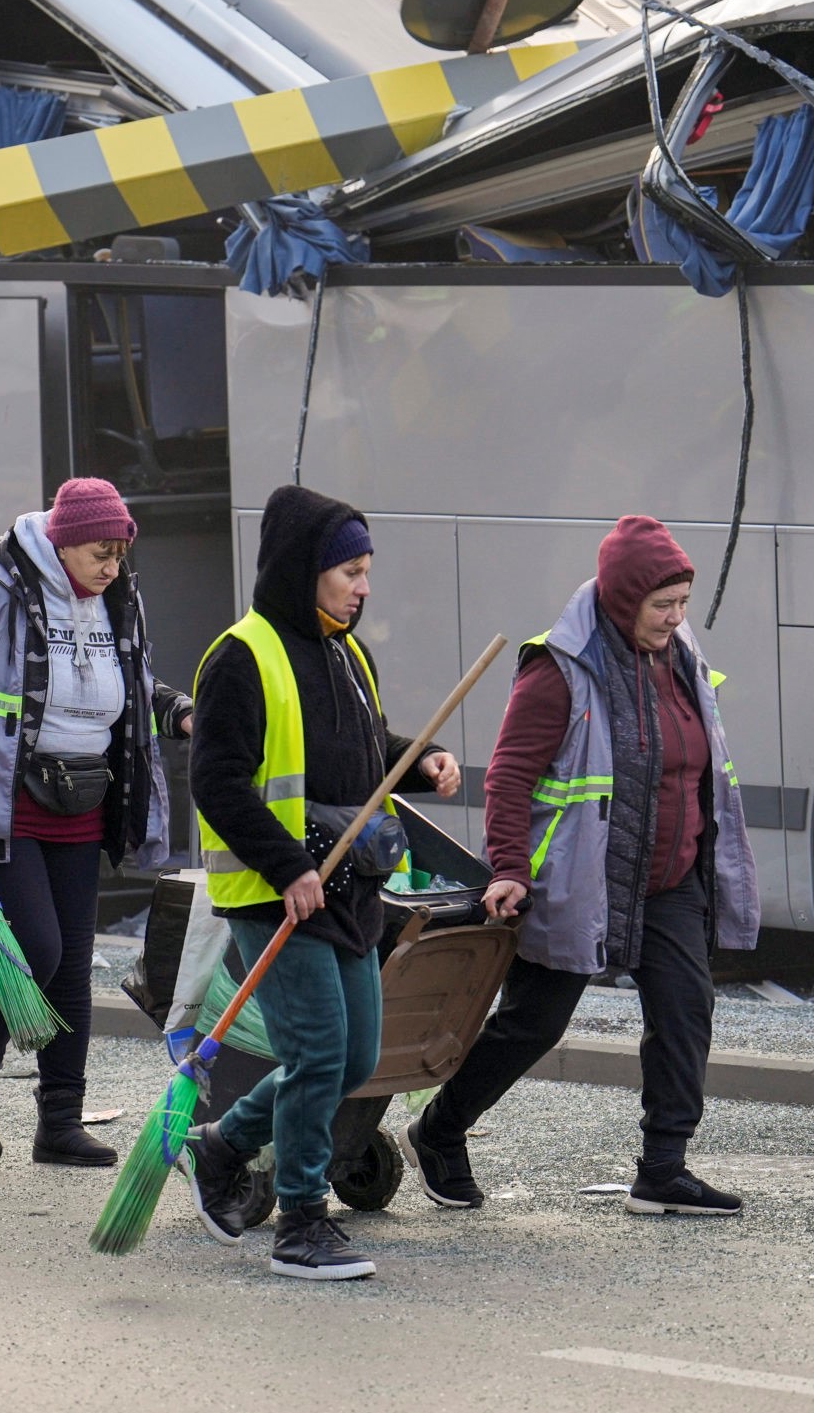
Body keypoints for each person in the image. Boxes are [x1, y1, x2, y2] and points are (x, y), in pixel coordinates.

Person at [399, 515, 757, 1217]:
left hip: (670, 879)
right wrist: (508, 867)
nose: (677, 617)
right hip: (585, 879)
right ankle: (438, 1130)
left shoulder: (676, 653)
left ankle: (663, 1167)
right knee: (534, 1024)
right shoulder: (559, 666)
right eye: (664, 605)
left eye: (683, 602)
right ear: (625, 599)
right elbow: (509, 774)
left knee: (687, 1009)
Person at [182, 485, 460, 1281]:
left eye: (367, 570)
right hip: (276, 893)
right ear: (305, 570)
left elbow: (362, 744)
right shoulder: (241, 655)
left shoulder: (348, 650)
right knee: (317, 1054)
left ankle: (223, 1143)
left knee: (354, 1055)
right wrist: (289, 865)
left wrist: (420, 755)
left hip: (349, 887)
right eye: (349, 571)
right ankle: (301, 1220)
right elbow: (219, 782)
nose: (363, 586)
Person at [0, 477, 191, 1168]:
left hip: (83, 800)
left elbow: (134, 683)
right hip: (6, 800)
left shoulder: (116, 598)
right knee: (38, 949)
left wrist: (176, 710)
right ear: (61, 543)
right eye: (100, 552)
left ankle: (60, 1122)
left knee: (70, 969)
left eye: (119, 553)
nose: (113, 566)